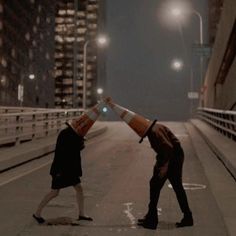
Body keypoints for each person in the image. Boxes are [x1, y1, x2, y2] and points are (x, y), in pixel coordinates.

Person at [137, 120, 193, 230]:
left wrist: (164, 167)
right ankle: (152, 216)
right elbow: (165, 149)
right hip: (171, 156)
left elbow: (168, 148)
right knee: (160, 185)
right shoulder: (156, 127)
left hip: (172, 158)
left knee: (157, 185)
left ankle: (152, 220)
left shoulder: (154, 133)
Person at [33, 125, 93, 224]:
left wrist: (80, 141)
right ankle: (37, 213)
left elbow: (75, 150)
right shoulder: (67, 135)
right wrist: (80, 142)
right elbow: (72, 150)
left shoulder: (68, 134)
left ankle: (82, 214)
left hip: (68, 170)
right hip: (61, 170)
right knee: (54, 192)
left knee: (78, 188)